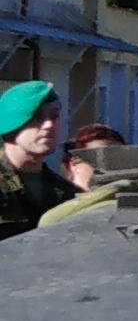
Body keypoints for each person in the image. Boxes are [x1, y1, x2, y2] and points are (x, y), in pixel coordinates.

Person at [0, 80, 76, 240]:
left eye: (54, 116)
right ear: (12, 125)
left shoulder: (64, 191)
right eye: (37, 117)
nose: (49, 125)